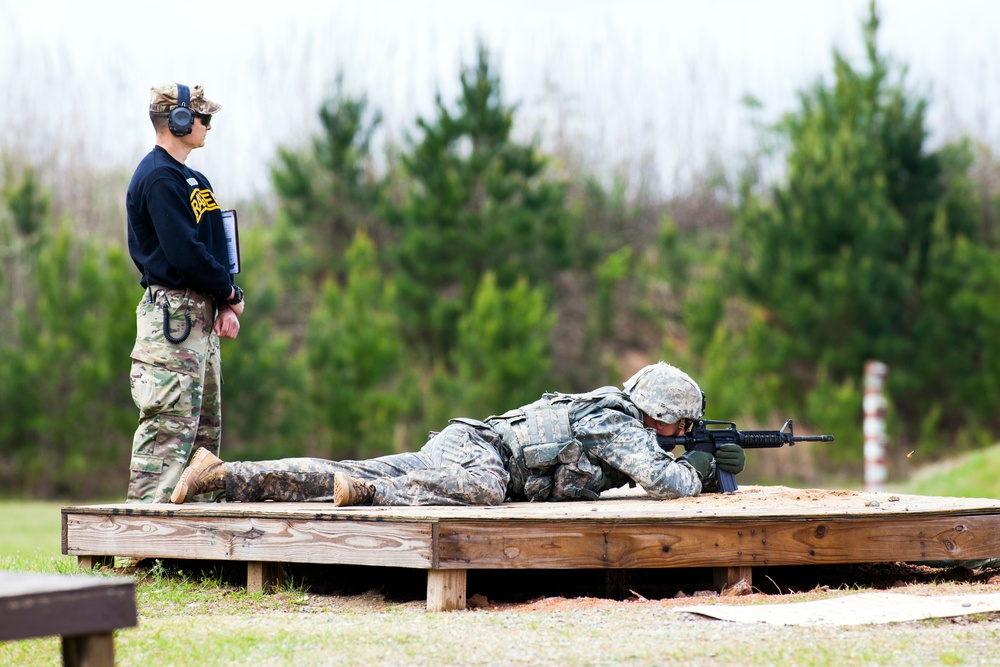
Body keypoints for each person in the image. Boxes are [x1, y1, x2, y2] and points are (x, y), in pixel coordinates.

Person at [170, 362, 746, 505]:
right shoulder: (615, 419)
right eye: (679, 422)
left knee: (348, 468)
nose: (680, 432)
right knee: (485, 494)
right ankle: (375, 497)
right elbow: (663, 481)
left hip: (464, 442)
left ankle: (219, 475)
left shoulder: (609, 415)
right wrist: (698, 467)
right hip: (482, 456)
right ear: (657, 409)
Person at [125, 83, 246, 503]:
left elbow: (215, 248)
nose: (208, 127)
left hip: (201, 319)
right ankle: (145, 545)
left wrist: (227, 300)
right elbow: (183, 254)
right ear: (178, 120)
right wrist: (229, 290)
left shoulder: (194, 179)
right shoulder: (159, 177)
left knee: (202, 443)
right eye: (203, 118)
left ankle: (192, 550)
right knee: (167, 436)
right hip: (172, 320)